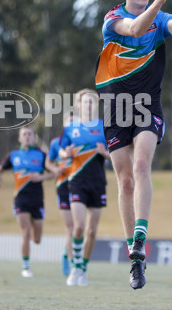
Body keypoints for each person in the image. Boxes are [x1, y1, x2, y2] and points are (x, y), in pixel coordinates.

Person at [95, 0, 172, 289]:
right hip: (116, 108)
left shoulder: (160, 18)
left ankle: (141, 236)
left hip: (146, 105)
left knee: (142, 164)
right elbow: (133, 28)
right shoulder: (112, 19)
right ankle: (135, 257)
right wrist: (157, 2)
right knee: (125, 181)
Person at [59, 89, 110, 287]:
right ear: (78, 105)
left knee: (91, 230)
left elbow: (114, 155)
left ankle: (83, 269)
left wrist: (103, 153)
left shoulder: (103, 127)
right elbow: (62, 151)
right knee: (78, 227)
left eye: (92, 102)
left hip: (97, 182)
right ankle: (75, 266)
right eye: (85, 102)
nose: (89, 105)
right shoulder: (71, 128)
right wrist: (66, 153)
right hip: (77, 181)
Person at [0, 126, 57, 278]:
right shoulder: (13, 155)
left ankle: (30, 251)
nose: (27, 137)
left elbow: (55, 172)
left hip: (37, 200)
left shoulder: (42, 155)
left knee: (37, 239)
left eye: (30, 135)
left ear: (34, 138)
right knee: (26, 233)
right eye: (24, 135)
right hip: (20, 199)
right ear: (20, 139)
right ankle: (26, 267)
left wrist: (40, 177)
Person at [45, 110, 77, 276]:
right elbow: (48, 162)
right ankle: (72, 264)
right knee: (70, 228)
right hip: (63, 186)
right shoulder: (56, 143)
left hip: (80, 184)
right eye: (69, 122)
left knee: (79, 227)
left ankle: (67, 253)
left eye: (74, 122)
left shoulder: (82, 141)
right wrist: (54, 169)